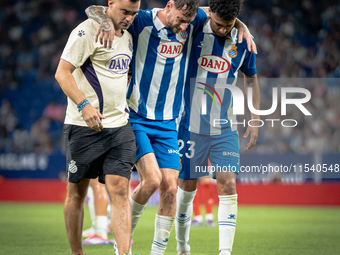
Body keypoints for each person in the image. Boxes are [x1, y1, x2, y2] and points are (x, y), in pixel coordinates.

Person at [85, 1, 256, 254]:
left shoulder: (194, 20)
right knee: (152, 180)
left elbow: (215, 13)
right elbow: (97, 8)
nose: (185, 26)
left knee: (170, 188)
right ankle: (123, 244)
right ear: (170, 6)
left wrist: (241, 26)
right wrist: (103, 20)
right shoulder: (142, 21)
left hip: (169, 123)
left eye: (189, 21)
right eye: (181, 20)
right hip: (136, 116)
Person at [174, 0, 260, 254]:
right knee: (187, 187)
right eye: (219, 24)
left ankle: (225, 252)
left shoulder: (245, 43)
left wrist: (255, 118)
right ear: (210, 12)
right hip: (189, 125)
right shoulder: (195, 25)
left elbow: (252, 80)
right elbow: (184, 8)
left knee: (228, 184)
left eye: (229, 25)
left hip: (224, 127)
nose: (223, 30)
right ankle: (182, 246)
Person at [54, 0, 140, 254]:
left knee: (121, 191)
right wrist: (83, 105)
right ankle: (77, 252)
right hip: (84, 127)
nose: (129, 18)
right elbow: (62, 72)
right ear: (110, 4)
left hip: (119, 127)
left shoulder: (130, 35)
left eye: (133, 14)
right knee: (77, 193)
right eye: (124, 12)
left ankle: (123, 252)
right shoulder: (86, 30)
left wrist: (241, 26)